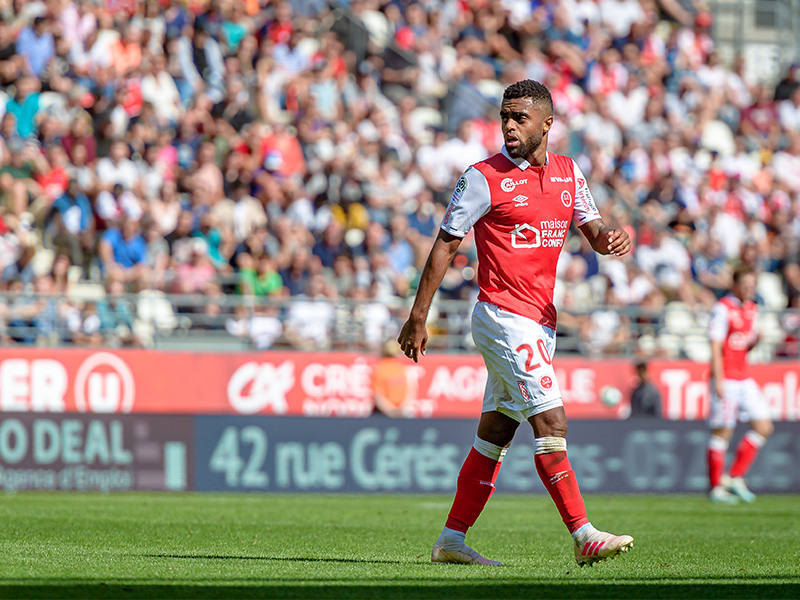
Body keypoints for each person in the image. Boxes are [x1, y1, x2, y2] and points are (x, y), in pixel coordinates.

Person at [397, 80, 634, 567]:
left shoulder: (569, 173)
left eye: (519, 118)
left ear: (547, 124)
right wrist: (418, 316)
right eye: (505, 116)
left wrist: (611, 238)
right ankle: (584, 534)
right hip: (503, 316)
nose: (509, 126)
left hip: (540, 321)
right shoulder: (482, 177)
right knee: (552, 421)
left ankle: (451, 541)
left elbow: (593, 230)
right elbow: (445, 244)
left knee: (496, 432)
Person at [706, 265, 774, 503]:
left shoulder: (752, 309)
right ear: (734, 284)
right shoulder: (722, 308)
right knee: (723, 431)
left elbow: (744, 346)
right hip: (726, 377)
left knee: (764, 426)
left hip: (744, 376)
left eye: (752, 285)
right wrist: (718, 378)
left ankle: (734, 476)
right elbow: (715, 345)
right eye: (744, 284)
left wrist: (756, 342)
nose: (748, 289)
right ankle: (716, 487)